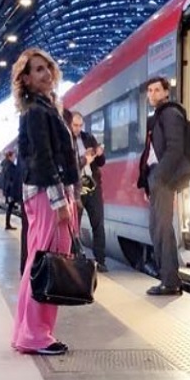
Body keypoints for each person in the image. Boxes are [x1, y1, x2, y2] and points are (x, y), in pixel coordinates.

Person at [11, 47, 79, 356]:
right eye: (38, 70)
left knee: (38, 260)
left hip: (45, 193)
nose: (46, 73)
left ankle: (29, 331)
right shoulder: (37, 111)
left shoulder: (45, 107)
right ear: (25, 79)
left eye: (48, 68)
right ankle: (36, 334)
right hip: (45, 193)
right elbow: (43, 157)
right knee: (44, 261)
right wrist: (59, 200)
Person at [137, 76, 186, 296]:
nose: (152, 94)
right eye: (149, 90)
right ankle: (167, 278)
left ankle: (170, 282)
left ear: (166, 92)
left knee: (163, 230)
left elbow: (175, 149)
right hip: (155, 179)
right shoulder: (156, 117)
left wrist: (160, 177)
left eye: (157, 90)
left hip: (163, 179)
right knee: (156, 229)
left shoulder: (170, 114)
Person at [70, 111, 108, 272]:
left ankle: (100, 260)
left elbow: (101, 162)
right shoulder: (66, 140)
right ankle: (74, 259)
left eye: (80, 125)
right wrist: (84, 158)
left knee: (98, 224)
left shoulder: (88, 138)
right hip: (76, 188)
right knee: (74, 225)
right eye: (75, 125)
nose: (78, 129)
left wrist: (99, 154)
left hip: (92, 186)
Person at [1, 151, 21, 230]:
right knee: (10, 207)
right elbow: (12, 179)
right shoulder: (9, 166)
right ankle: (7, 224)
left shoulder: (6, 165)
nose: (15, 158)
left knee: (10, 207)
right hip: (10, 190)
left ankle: (7, 224)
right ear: (10, 156)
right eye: (14, 156)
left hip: (8, 190)